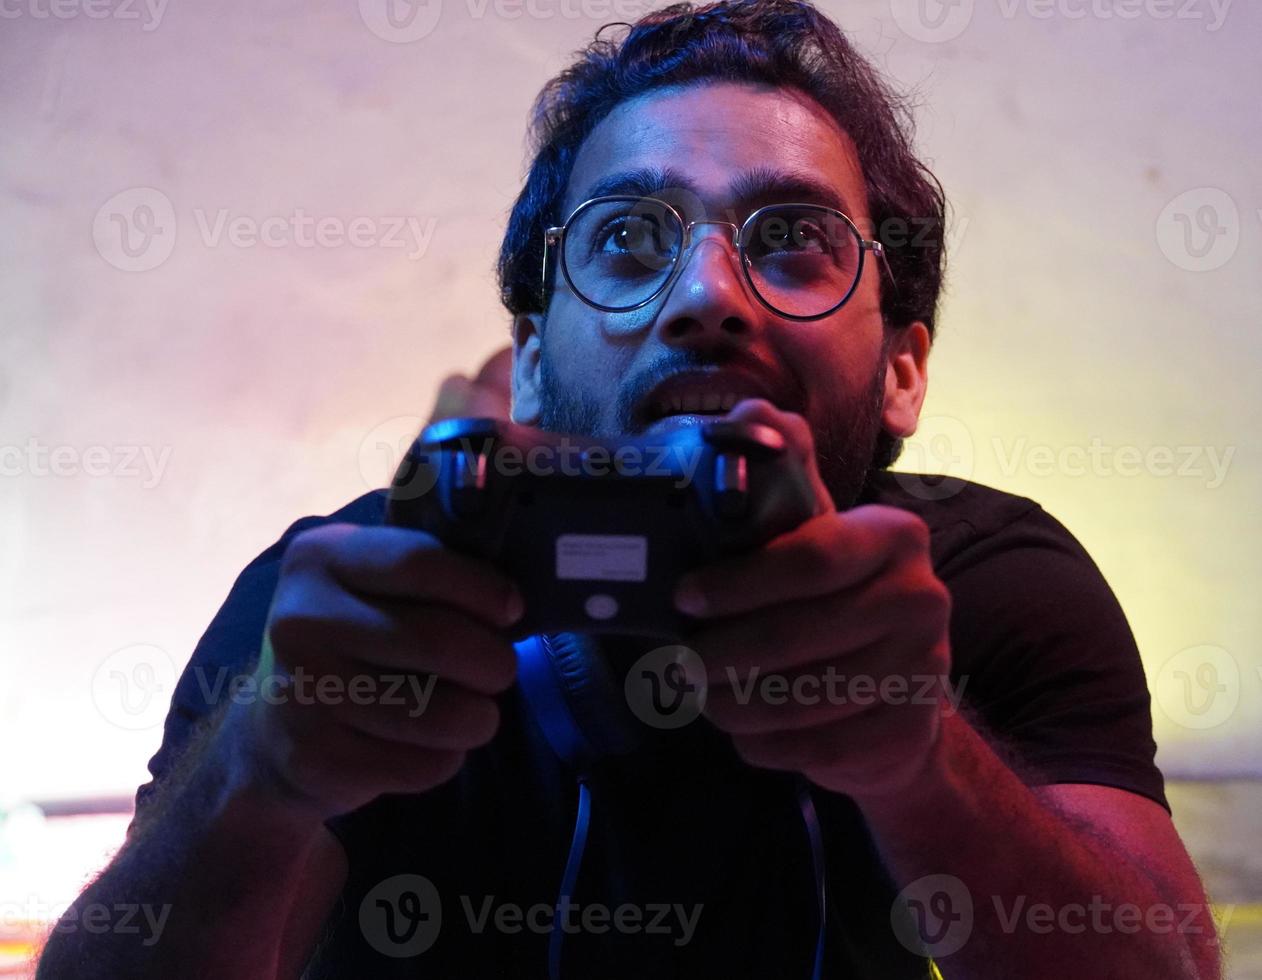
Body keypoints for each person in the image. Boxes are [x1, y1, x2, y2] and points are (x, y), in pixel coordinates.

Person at [37, 1, 1222, 977]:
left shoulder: (989, 584)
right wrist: (261, 771)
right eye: (625, 239)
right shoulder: (344, 604)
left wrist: (918, 757)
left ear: (902, 366)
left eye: (792, 238)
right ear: (536, 352)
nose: (709, 292)